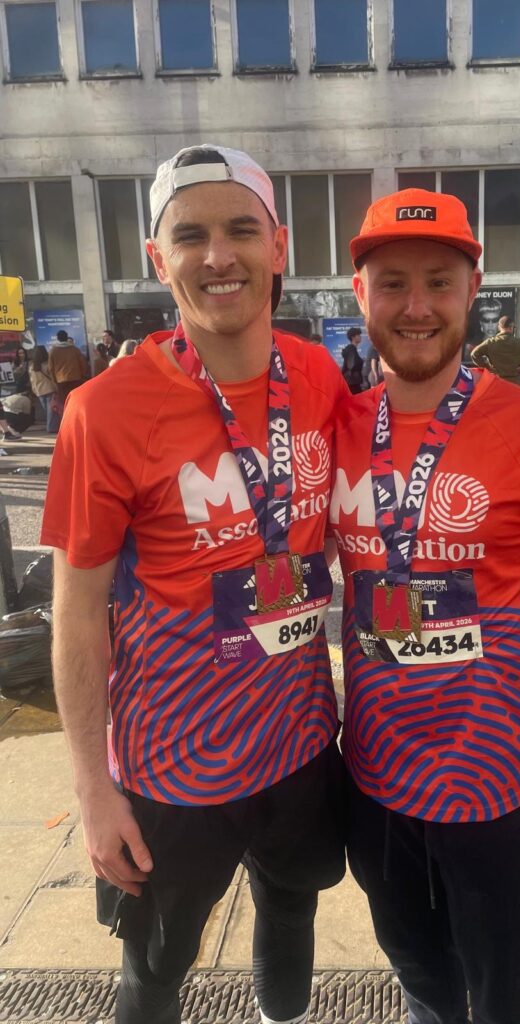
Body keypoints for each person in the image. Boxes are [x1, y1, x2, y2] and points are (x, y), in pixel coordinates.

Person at [41, 144, 347, 1024]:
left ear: (279, 246)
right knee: (157, 964)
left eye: (241, 230)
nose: (219, 256)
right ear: (157, 258)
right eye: (192, 235)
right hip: (172, 771)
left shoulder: (318, 376)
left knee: (294, 908)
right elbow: (77, 611)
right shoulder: (102, 409)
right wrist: (93, 792)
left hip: (296, 743)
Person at [330, 187, 520, 1024]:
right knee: (421, 982)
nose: (417, 305)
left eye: (439, 280)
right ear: (360, 295)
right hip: (375, 784)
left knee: (506, 996)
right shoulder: (331, 434)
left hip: (499, 786)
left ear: (473, 291)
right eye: (392, 283)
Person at [470, 314, 520, 387]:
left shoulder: (490, 342)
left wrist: (488, 367)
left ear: (499, 327)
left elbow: (474, 354)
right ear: (512, 327)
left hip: (496, 382)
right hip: (514, 384)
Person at [48, 330, 89, 404]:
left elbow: (51, 368)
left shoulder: (53, 351)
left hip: (61, 381)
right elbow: (82, 364)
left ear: (58, 338)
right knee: (77, 400)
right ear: (67, 338)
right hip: (76, 379)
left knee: (65, 402)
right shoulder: (75, 349)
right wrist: (82, 375)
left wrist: (54, 380)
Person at [29, 345, 60, 434]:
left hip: (39, 391)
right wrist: (56, 388)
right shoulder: (47, 364)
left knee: (47, 411)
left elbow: (32, 380)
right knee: (51, 411)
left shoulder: (32, 367)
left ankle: (50, 426)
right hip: (49, 389)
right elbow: (53, 378)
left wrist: (34, 390)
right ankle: (51, 428)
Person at [340, 326, 365, 393]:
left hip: (352, 381)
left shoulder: (352, 349)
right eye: (358, 335)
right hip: (352, 382)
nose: (360, 336)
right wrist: (361, 361)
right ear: (353, 337)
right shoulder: (351, 349)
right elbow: (351, 365)